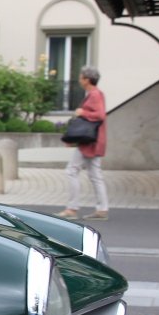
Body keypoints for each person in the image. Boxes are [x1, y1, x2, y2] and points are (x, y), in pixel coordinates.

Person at [57, 66, 109, 221]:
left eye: (81, 77)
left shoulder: (94, 95)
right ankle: (102, 209)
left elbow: (100, 115)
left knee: (72, 171)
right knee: (95, 175)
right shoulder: (96, 94)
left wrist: (82, 112)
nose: (79, 80)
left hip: (89, 142)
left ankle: (72, 208)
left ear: (87, 79)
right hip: (93, 141)